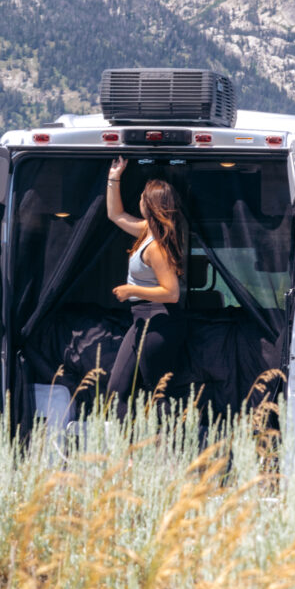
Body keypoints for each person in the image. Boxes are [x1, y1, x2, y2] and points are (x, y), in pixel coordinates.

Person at [104, 160, 189, 418]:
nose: (138, 200)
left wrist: (132, 291)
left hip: (158, 320)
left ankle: (169, 451)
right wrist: (114, 177)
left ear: (149, 205)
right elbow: (115, 214)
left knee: (158, 394)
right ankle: (121, 450)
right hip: (142, 319)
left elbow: (171, 293)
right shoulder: (146, 231)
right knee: (117, 389)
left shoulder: (157, 248)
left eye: (142, 197)